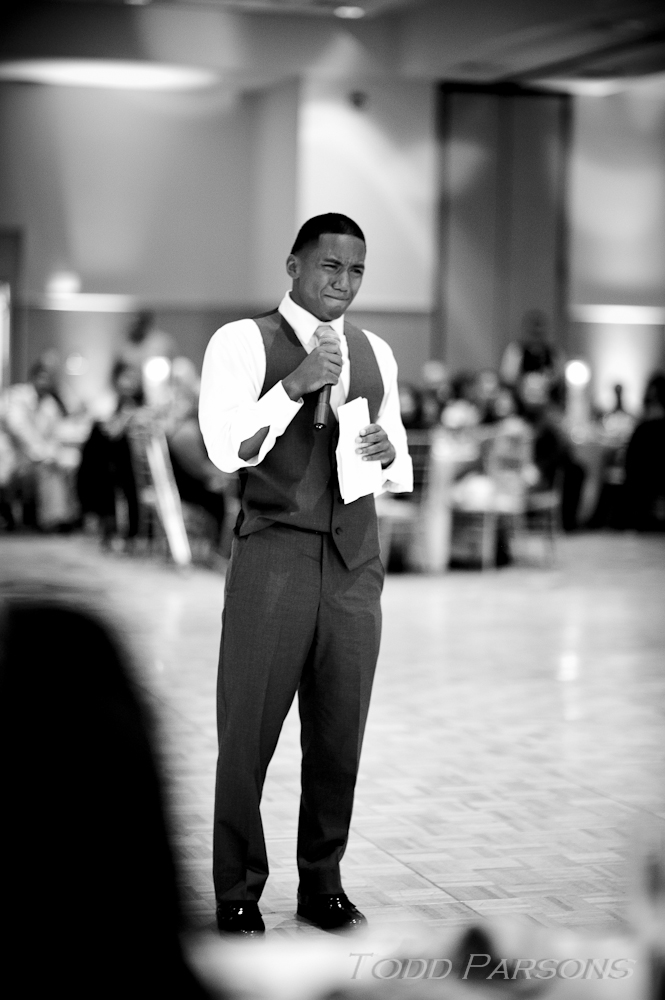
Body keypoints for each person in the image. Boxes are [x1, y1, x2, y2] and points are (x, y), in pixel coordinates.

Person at [199, 213, 413, 936]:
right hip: (274, 556)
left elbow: (398, 453)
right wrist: (292, 385)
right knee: (248, 733)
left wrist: (385, 449)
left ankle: (323, 883)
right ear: (293, 266)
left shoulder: (375, 351)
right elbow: (224, 448)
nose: (343, 282)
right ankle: (237, 890)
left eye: (356, 271)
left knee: (338, 735)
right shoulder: (240, 341)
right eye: (330, 266)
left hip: (355, 561)